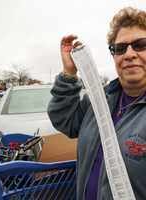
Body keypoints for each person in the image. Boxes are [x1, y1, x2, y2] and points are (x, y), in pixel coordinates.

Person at [47, 7, 146, 200]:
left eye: (140, 45)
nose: (129, 54)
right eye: (120, 48)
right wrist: (69, 73)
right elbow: (65, 121)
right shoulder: (99, 100)